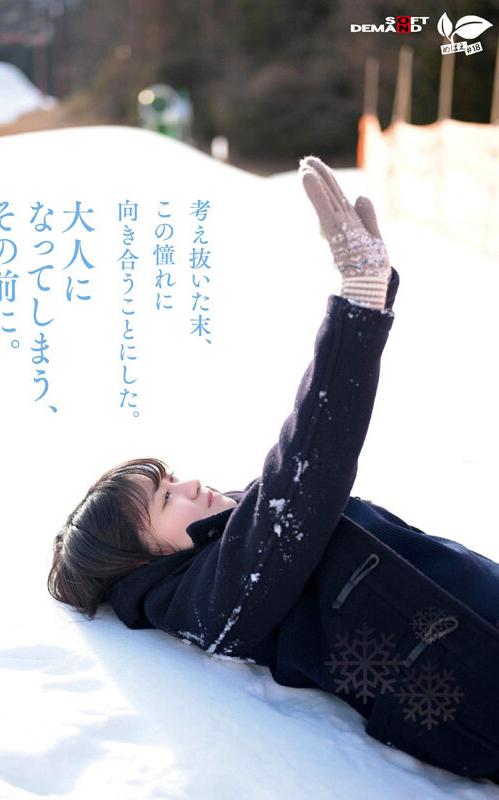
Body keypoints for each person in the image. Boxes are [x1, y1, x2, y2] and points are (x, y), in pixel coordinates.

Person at [48, 157, 499, 783]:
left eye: (171, 478)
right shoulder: (211, 600)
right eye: (165, 499)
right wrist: (359, 303)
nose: (190, 485)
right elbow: (307, 474)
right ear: (140, 561)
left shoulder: (235, 534)